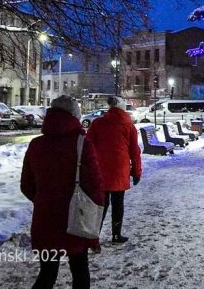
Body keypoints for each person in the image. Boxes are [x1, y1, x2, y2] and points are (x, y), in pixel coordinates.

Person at [21, 95, 103, 289]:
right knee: (80, 272)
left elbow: (26, 186)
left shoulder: (36, 144)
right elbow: (95, 186)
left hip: (45, 220)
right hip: (75, 220)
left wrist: (44, 201)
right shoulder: (82, 144)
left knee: (47, 273)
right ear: (75, 115)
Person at [86, 97, 142, 244]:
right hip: (119, 169)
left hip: (100, 170)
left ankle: (94, 237)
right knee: (118, 203)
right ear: (123, 109)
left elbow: (88, 145)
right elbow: (134, 151)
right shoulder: (128, 125)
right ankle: (116, 235)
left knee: (100, 205)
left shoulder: (98, 123)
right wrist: (136, 171)